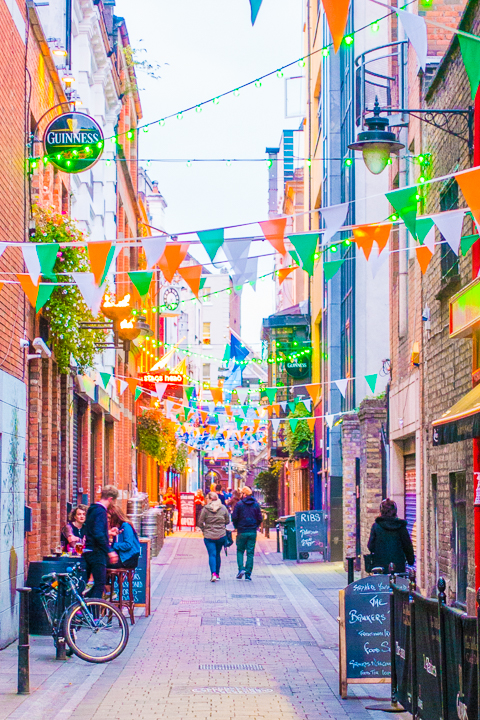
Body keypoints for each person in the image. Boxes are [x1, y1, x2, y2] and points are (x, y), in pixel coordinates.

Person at [83, 485, 119, 598]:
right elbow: (98, 534)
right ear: (110, 499)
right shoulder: (101, 511)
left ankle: (82, 606)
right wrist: (110, 551)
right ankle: (93, 613)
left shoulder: (92, 509)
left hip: (88, 551)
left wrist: (107, 532)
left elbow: (92, 530)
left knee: (87, 584)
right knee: (100, 584)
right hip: (97, 553)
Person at [367, 498, 415, 574]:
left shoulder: (376, 526)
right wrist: (410, 561)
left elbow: (370, 546)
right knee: (397, 584)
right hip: (398, 566)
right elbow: (407, 546)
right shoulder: (401, 526)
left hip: (380, 566)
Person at [232, 486, 263, 581]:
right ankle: (248, 573)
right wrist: (255, 526)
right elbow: (260, 518)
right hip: (252, 531)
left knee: (240, 550)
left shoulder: (239, 504)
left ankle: (241, 569)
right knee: (250, 553)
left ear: (244, 494)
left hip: (242, 531)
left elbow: (234, 517)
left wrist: (237, 526)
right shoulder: (256, 504)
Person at [198, 491, 229, 582]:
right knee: (218, 554)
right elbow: (227, 521)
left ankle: (213, 574)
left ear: (210, 499)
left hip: (209, 536)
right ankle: (217, 574)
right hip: (221, 535)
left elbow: (200, 521)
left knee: (212, 554)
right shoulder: (223, 508)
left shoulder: (206, 509)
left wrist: (204, 529)